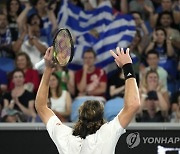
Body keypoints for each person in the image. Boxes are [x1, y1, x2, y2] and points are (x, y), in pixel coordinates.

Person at [35, 46, 140, 154]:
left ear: (80, 116)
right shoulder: (107, 133)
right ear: (102, 119)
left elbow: (41, 106)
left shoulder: (64, 136)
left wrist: (48, 69)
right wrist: (127, 67)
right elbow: (133, 104)